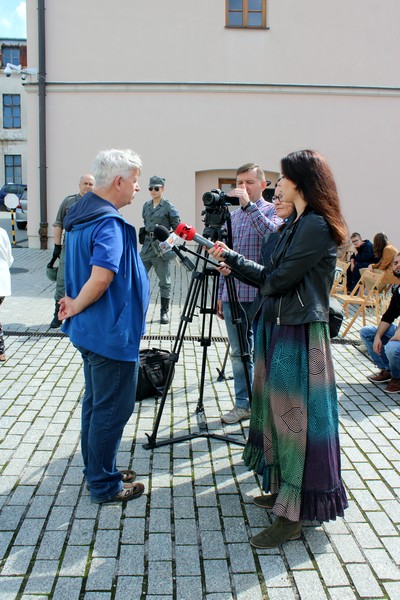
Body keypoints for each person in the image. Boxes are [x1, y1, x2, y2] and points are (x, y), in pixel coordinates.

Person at [208, 149, 349, 549]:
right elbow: (270, 268)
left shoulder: (316, 225)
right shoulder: (296, 223)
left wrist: (241, 263)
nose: (278, 185)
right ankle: (287, 493)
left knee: (294, 425)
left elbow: (277, 279)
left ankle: (293, 516)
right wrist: (232, 258)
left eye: (284, 178)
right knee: (276, 418)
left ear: (301, 182)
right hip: (278, 326)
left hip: (298, 332)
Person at [58, 149, 150, 504]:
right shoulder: (108, 222)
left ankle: (99, 468)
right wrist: (76, 304)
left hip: (92, 330)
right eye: (135, 181)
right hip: (110, 333)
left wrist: (74, 306)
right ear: (119, 181)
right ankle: (104, 484)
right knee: (111, 410)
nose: (138, 188)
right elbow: (101, 277)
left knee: (97, 405)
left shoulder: (82, 215)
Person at [217, 163, 282, 424]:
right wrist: (220, 293)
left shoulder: (272, 210)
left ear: (263, 185)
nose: (243, 187)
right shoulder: (233, 217)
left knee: (262, 353)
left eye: (249, 182)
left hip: (262, 294)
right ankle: (243, 404)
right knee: (238, 352)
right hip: (234, 293)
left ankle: (263, 405)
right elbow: (226, 256)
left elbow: (272, 237)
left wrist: (248, 206)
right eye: (239, 183)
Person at [49, 173, 95, 328]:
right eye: (85, 183)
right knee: (62, 281)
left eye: (91, 184)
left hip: (88, 250)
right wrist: (57, 247)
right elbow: (58, 223)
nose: (88, 186)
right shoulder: (68, 202)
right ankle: (57, 315)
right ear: (79, 185)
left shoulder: (98, 203)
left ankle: (82, 313)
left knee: (86, 281)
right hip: (68, 248)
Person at [140, 176, 180, 324]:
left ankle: (164, 312)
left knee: (164, 282)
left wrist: (168, 245)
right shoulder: (146, 206)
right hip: (147, 247)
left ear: (162, 189)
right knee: (138, 277)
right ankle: (138, 309)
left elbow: (178, 229)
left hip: (161, 249)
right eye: (150, 188)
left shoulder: (169, 207)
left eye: (156, 188)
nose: (153, 191)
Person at [360, 253, 400, 394]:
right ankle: (387, 370)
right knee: (367, 332)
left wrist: (397, 335)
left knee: (392, 347)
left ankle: (398, 378)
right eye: (395, 263)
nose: (398, 265)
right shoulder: (398, 290)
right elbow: (389, 316)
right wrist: (377, 336)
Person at [0, 226, 13, 362]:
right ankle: (1, 351)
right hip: (2, 281)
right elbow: (9, 258)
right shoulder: (2, 232)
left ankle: (1, 350)